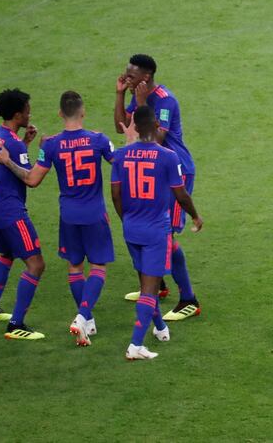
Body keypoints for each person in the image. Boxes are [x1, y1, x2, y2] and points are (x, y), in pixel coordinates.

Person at [0, 91, 116, 346]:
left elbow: (32, 179)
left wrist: (8, 162)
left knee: (74, 268)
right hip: (94, 213)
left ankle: (88, 321)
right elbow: (121, 161)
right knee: (99, 267)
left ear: (60, 113)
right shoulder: (99, 140)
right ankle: (82, 317)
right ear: (83, 112)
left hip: (68, 216)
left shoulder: (50, 145)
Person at [111, 105, 203, 360]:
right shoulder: (168, 156)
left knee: (145, 284)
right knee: (150, 290)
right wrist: (195, 215)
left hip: (131, 228)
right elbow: (180, 194)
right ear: (156, 125)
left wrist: (127, 218)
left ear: (136, 127)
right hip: (156, 231)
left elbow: (116, 195)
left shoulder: (121, 155)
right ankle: (135, 346)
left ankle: (160, 327)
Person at [114, 54, 200, 321]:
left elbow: (157, 137)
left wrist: (140, 104)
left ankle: (189, 299)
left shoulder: (165, 100)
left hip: (176, 171)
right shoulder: (136, 94)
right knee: (156, 234)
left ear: (146, 77)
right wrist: (119, 95)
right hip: (153, 171)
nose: (126, 79)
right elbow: (122, 128)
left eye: (131, 76)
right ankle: (156, 286)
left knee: (166, 238)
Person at [0, 88, 46, 340]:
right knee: (36, 264)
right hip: (11, 211)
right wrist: (41, 152)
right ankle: (16, 325)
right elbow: (31, 179)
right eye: (28, 109)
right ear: (18, 114)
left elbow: (14, 162)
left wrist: (24, 145)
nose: (30, 113)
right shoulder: (12, 143)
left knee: (7, 254)